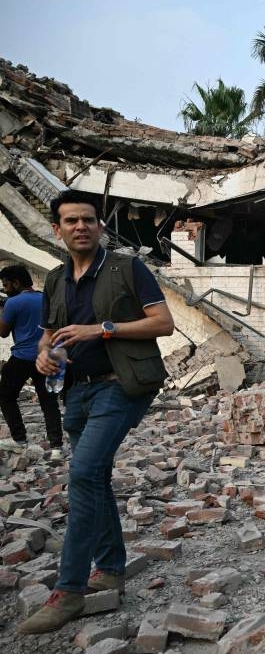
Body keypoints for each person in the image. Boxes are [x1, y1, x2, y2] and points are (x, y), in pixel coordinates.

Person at [19, 190, 174, 634]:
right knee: (94, 475)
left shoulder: (128, 268)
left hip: (121, 386)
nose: (80, 227)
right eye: (71, 221)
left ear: (100, 226)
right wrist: (44, 355)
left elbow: (163, 322)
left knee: (84, 472)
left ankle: (68, 591)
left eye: (88, 219)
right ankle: (109, 568)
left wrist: (103, 329)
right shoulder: (54, 278)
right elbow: (49, 334)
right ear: (57, 229)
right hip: (76, 391)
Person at [0, 264, 63, 455]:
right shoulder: (46, 298)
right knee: (49, 401)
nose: (5, 288)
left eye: (6, 285)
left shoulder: (13, 303)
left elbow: (2, 333)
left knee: (5, 396)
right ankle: (56, 446)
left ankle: (20, 439)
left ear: (16, 283)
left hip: (22, 357)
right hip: (48, 356)